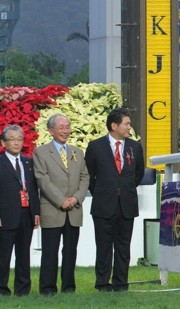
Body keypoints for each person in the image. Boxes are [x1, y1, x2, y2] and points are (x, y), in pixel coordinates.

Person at [85, 107, 145, 292]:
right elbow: (89, 175)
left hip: (126, 205)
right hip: (104, 206)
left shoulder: (135, 146)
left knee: (123, 247)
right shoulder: (95, 146)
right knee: (103, 247)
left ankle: (121, 283)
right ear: (114, 125)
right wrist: (104, 192)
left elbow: (138, 173)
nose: (129, 127)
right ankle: (102, 283)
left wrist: (123, 190)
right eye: (126, 124)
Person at [33, 114, 89, 295]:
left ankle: (68, 287)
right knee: (50, 252)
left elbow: (85, 177)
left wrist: (76, 198)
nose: (65, 130)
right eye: (61, 127)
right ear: (51, 130)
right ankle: (48, 288)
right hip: (52, 209)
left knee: (70, 251)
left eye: (67, 126)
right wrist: (61, 200)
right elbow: (42, 179)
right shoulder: (41, 152)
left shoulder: (77, 152)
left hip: (74, 210)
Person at [0, 125, 40, 296]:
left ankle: (22, 290)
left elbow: (32, 188)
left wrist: (36, 212)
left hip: (26, 214)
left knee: (23, 255)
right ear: (3, 142)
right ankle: (2, 289)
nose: (16, 143)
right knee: (3, 256)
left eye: (19, 139)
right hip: (6, 215)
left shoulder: (28, 162)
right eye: (12, 139)